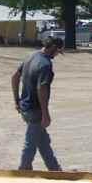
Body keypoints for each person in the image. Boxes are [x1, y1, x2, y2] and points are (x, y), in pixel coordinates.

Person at [12, 36, 64, 171]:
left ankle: (54, 169)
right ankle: (23, 169)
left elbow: (15, 77)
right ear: (53, 48)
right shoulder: (45, 64)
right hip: (35, 110)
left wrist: (16, 100)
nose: (57, 55)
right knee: (31, 142)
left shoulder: (31, 56)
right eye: (58, 52)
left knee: (42, 141)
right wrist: (45, 114)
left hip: (25, 107)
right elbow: (42, 89)